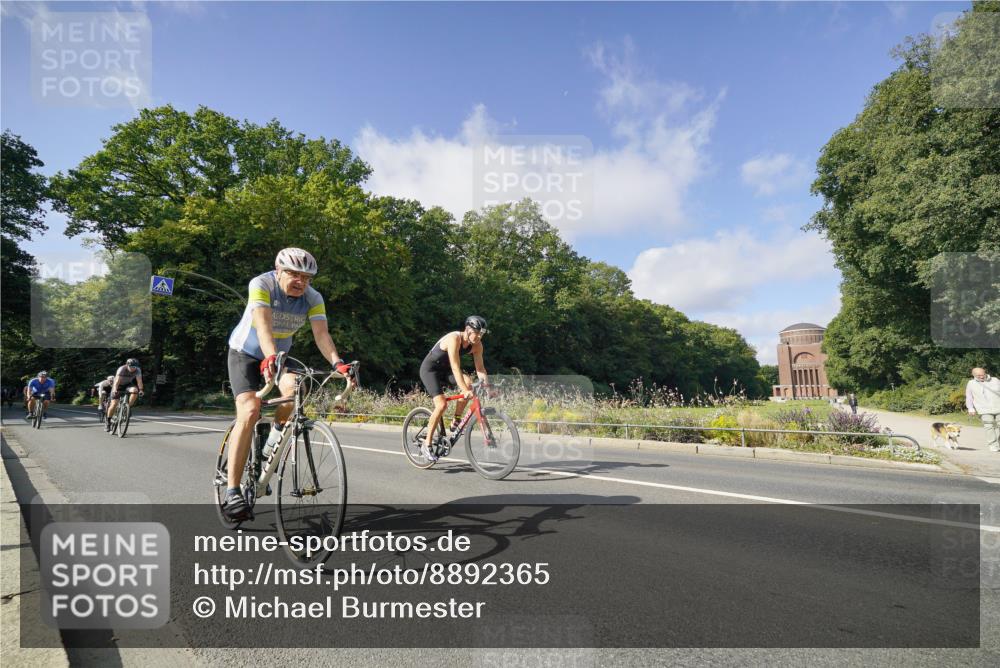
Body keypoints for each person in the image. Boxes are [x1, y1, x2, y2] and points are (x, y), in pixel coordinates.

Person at [223, 247, 354, 522]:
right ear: (278, 270)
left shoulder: (313, 298)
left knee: (296, 392)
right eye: (294, 274)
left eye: (306, 277)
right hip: (245, 352)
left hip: (280, 356)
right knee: (248, 411)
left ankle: (273, 439)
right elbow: (263, 325)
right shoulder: (261, 284)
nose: (301, 282)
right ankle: (232, 491)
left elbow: (321, 334)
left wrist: (337, 363)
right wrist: (269, 355)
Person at [418, 316, 492, 462]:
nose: (479, 337)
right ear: (468, 330)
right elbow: (455, 367)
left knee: (469, 383)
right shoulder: (454, 338)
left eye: (481, 334)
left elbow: (481, 369)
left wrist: (487, 387)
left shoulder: (477, 345)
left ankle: (456, 419)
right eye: (477, 333)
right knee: (442, 405)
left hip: (445, 370)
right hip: (430, 369)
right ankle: (427, 445)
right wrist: (464, 390)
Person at [966, 367, 1000, 453]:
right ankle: (993, 445)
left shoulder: (995, 380)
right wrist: (970, 408)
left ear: (985, 372)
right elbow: (969, 397)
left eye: (983, 374)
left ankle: (998, 442)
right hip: (984, 409)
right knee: (989, 427)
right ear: (973, 375)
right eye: (978, 375)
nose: (981, 377)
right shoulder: (971, 383)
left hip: (998, 406)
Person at [106, 359, 144, 431]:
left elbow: (139, 381)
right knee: (114, 404)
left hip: (127, 385)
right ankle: (108, 422)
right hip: (118, 385)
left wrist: (141, 390)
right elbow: (117, 381)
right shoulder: (122, 369)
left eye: (135, 367)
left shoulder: (138, 370)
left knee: (135, 390)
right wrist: (114, 390)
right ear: (127, 365)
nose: (133, 368)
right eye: (131, 367)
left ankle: (127, 408)